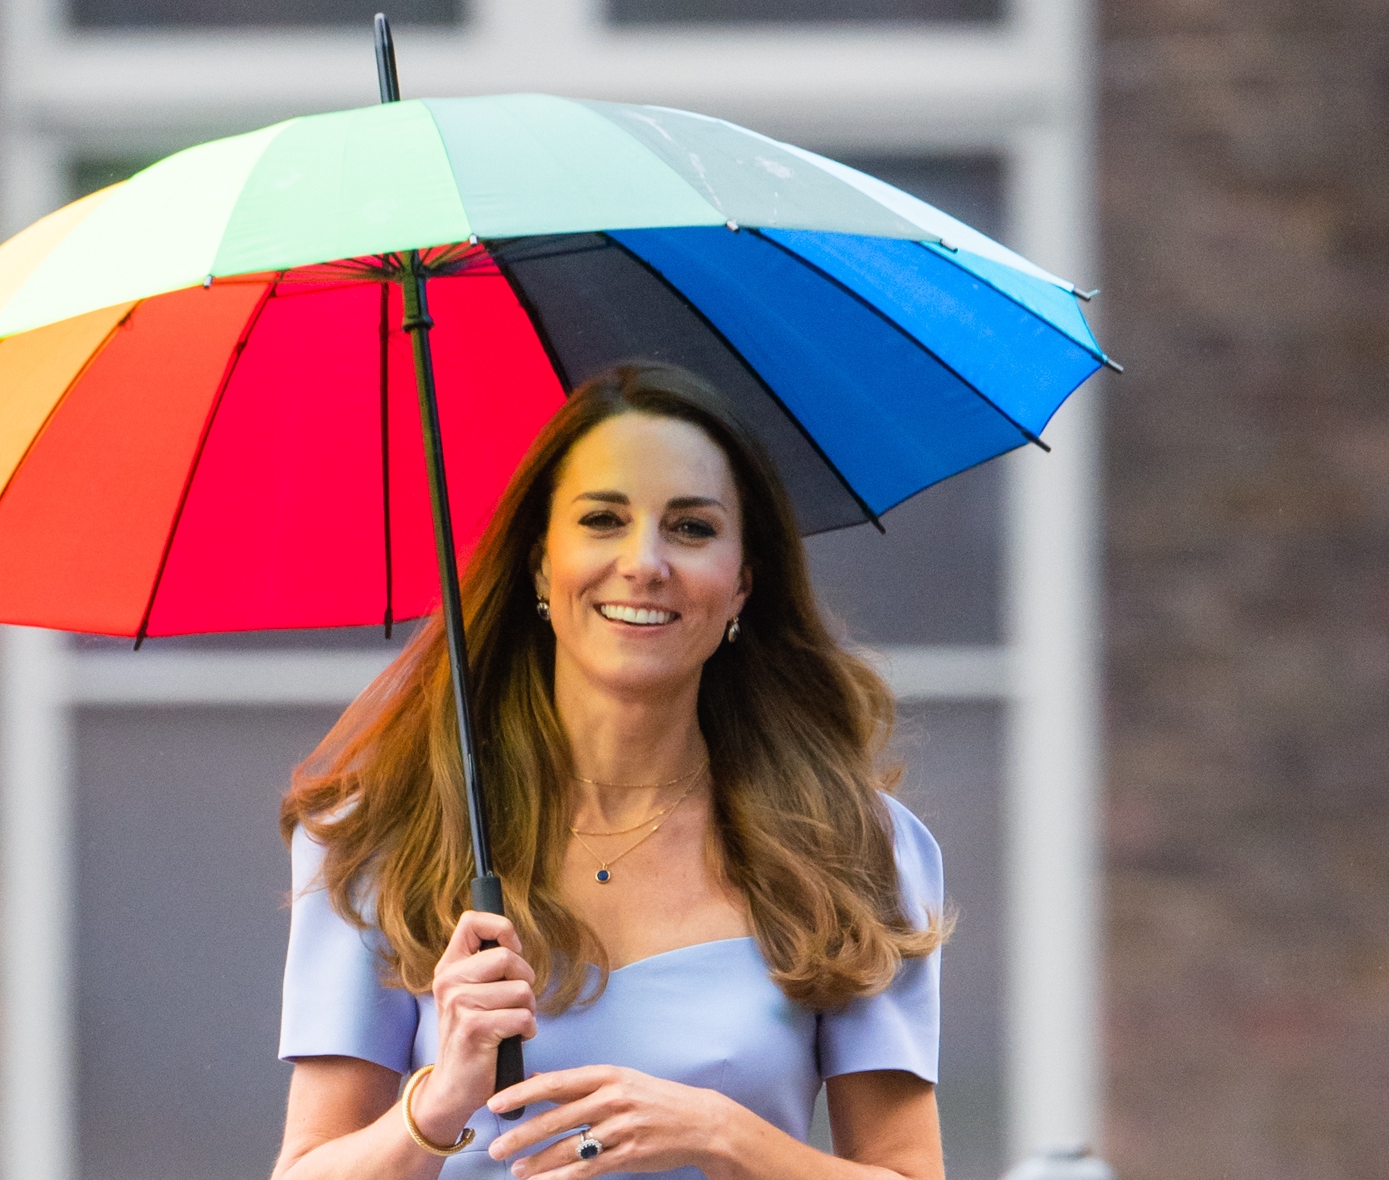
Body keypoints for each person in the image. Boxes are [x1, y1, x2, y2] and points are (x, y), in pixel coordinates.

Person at [270, 362, 950, 1180]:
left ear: (741, 584)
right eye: (602, 519)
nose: (643, 563)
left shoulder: (852, 846)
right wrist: (438, 1100)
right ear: (537, 565)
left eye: (691, 529)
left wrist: (725, 1136)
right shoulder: (386, 836)